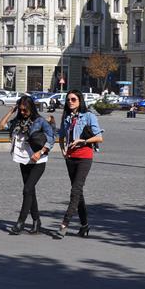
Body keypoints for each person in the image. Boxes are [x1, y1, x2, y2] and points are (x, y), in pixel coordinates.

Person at [0, 95, 55, 235]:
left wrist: (40, 152)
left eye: (25, 110)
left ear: (31, 108)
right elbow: (1, 125)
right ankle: (37, 222)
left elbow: (52, 138)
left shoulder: (40, 121)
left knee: (27, 189)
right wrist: (12, 111)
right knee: (30, 191)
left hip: (38, 161)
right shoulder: (17, 121)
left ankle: (20, 222)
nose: (23, 112)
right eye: (21, 110)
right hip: (23, 160)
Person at [56, 90, 104, 239]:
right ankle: (84, 226)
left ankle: (65, 222)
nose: (70, 102)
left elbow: (99, 138)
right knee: (78, 193)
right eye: (68, 99)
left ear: (80, 101)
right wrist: (63, 149)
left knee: (75, 190)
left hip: (84, 157)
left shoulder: (89, 116)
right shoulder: (66, 118)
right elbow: (62, 136)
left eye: (74, 99)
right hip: (70, 157)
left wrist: (83, 141)